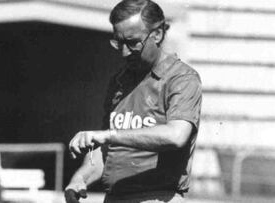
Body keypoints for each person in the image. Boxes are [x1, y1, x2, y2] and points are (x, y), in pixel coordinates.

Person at [65, 0, 202, 202]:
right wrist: (80, 178)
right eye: (118, 43)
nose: (124, 52)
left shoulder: (181, 78)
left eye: (132, 42)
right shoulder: (119, 81)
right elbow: (106, 152)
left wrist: (108, 135)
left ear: (157, 34)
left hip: (157, 197)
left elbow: (176, 135)